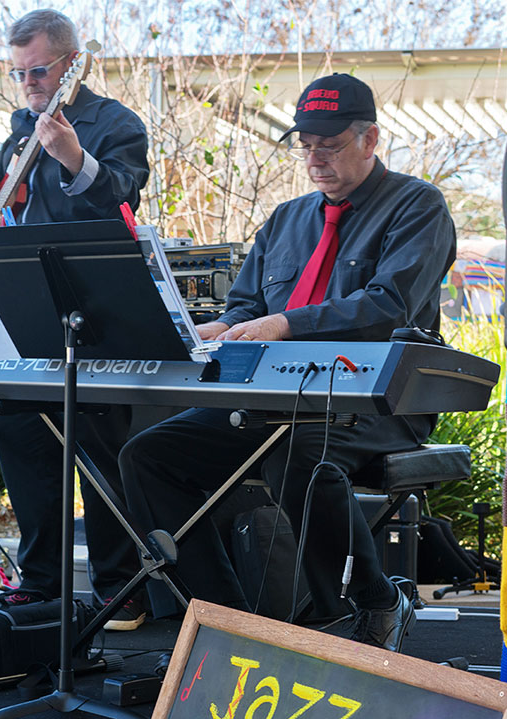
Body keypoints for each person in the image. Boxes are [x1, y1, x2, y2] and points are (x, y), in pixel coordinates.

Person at [119, 73, 457, 651]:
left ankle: (373, 602)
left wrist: (285, 324)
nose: (314, 158)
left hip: (377, 400)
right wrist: (208, 330)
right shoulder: (285, 219)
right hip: (274, 398)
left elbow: (388, 306)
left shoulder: (417, 206)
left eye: (330, 144)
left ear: (370, 139)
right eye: (306, 145)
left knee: (296, 453)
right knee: (148, 456)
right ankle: (226, 627)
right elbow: (245, 306)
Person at [0, 9, 149, 629]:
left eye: (38, 71)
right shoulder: (23, 123)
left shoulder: (114, 122)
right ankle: (41, 584)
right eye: (18, 74)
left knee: (98, 450)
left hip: (96, 305)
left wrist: (74, 158)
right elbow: (0, 166)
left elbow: (122, 192)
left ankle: (120, 590)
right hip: (30, 304)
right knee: (24, 439)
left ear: (70, 64)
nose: (28, 83)